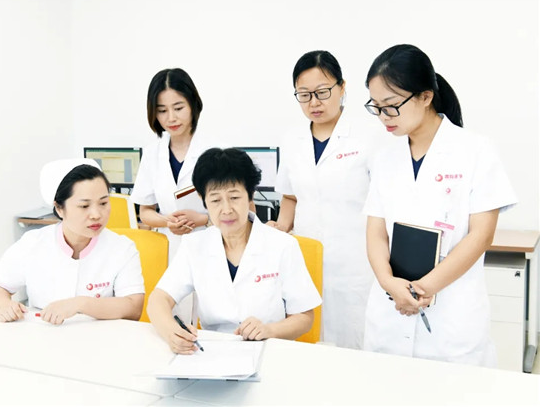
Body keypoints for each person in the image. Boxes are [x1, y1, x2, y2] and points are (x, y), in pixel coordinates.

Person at [362, 44, 517, 366]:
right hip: (390, 309)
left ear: (425, 96)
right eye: (376, 107)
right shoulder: (385, 158)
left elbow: (481, 235)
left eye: (391, 106)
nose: (383, 117)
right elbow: (376, 232)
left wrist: (423, 289)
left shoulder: (475, 150)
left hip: (451, 317)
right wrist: (389, 283)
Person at [147, 148, 322, 354]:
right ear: (204, 201)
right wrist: (171, 332)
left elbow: (304, 317)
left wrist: (270, 330)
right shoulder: (194, 245)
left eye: (235, 197)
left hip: (268, 349)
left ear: (250, 196)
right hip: (212, 352)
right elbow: (158, 299)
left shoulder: (283, 245)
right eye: (215, 200)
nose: (227, 209)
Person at [269, 50, 373, 349]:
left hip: (355, 264)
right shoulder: (292, 139)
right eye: (304, 95)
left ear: (342, 87)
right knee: (309, 342)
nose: (314, 102)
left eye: (322, 92)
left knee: (354, 344)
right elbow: (290, 196)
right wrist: (279, 228)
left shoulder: (367, 136)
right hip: (306, 259)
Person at [0, 159, 145, 325]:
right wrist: (3, 305)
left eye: (103, 203)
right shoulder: (33, 244)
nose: (96, 214)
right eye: (84, 206)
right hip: (44, 334)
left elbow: (133, 308)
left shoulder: (122, 249)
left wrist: (81, 304)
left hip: (101, 337)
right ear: (59, 208)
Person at [131, 68, 212, 257]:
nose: (171, 118)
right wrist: (168, 221)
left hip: (210, 246)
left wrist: (202, 219)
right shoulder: (152, 153)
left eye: (178, 108)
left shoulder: (216, 151)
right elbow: (145, 211)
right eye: (162, 111)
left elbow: (244, 211)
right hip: (169, 250)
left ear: (193, 104)